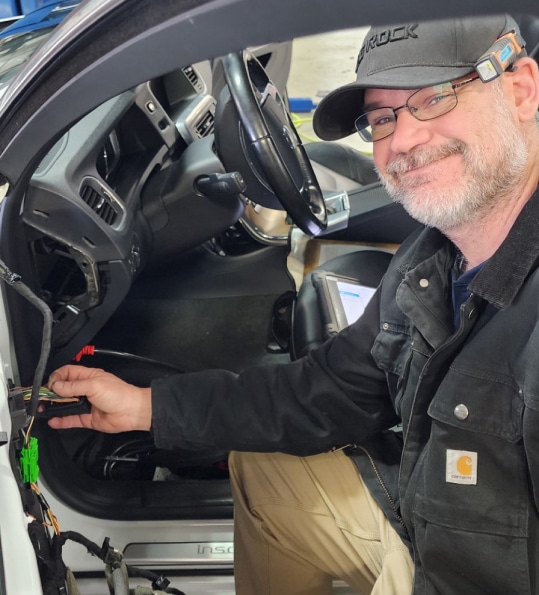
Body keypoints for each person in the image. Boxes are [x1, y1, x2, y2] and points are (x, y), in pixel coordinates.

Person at [47, 13, 539, 595]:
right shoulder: (431, 261)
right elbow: (321, 393)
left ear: (520, 88)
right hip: (424, 508)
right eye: (382, 118)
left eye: (434, 97)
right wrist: (144, 408)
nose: (404, 140)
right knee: (264, 475)